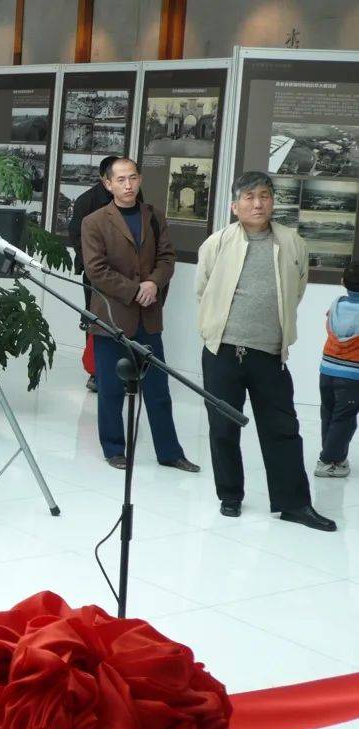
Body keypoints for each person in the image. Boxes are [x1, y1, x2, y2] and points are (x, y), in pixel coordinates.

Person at [197, 170, 335, 531]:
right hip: (222, 351)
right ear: (235, 205)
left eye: (265, 196)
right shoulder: (216, 243)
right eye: (249, 197)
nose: (258, 204)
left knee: (283, 428)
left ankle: (294, 504)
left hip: (270, 353)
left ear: (273, 201)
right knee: (223, 427)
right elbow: (204, 290)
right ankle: (230, 496)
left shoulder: (292, 242)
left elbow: (297, 289)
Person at [81, 157, 198, 473]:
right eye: (120, 179)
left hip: (148, 317)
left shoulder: (154, 216)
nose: (128, 185)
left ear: (140, 180)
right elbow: (96, 270)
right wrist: (135, 290)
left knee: (158, 390)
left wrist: (153, 283)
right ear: (108, 184)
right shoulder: (94, 222)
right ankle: (114, 449)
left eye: (132, 178)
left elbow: (167, 258)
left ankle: (170, 452)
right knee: (110, 389)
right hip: (111, 318)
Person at [69, 155, 122, 394]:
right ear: (104, 179)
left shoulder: (131, 197)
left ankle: (122, 370)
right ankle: (96, 372)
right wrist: (95, 266)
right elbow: (77, 238)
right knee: (96, 320)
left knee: (123, 321)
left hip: (124, 274)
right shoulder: (86, 201)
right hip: (96, 274)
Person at [317, 263, 359, 479]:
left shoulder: (335, 306)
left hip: (327, 370)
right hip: (351, 376)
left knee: (329, 413)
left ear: (342, 282)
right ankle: (328, 461)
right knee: (344, 419)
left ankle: (335, 457)